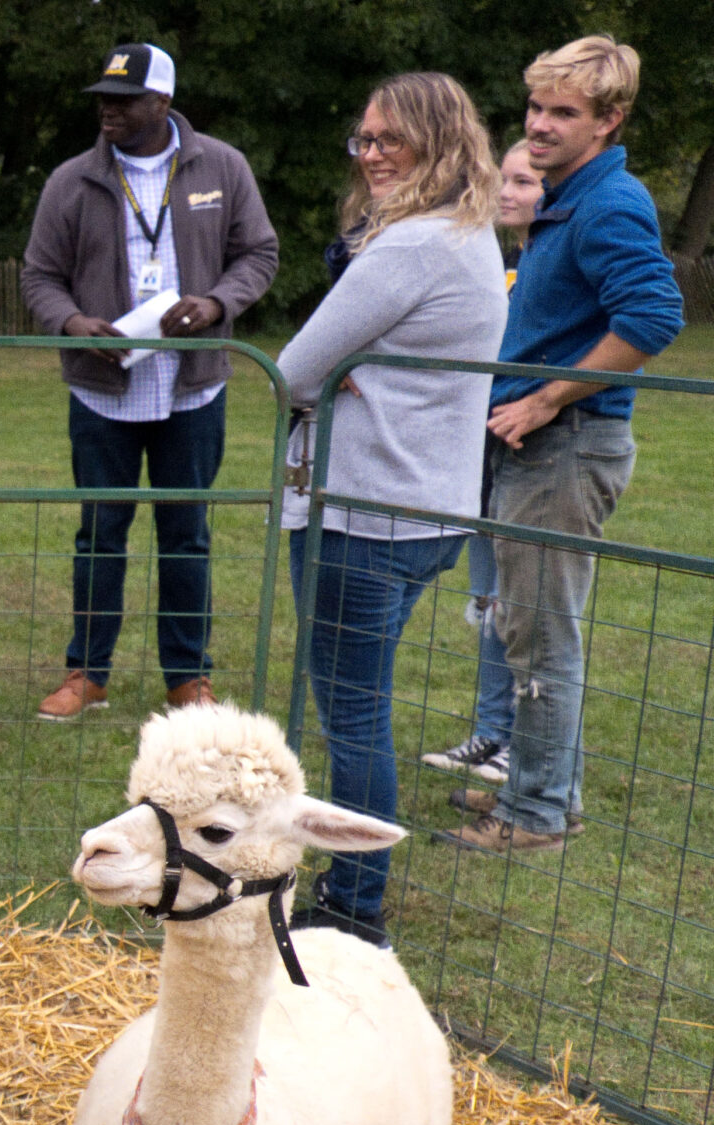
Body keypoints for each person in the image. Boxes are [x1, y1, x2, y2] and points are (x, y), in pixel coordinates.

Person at [277, 72, 508, 947]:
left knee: (354, 712)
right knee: (362, 702)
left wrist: (341, 378)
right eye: (363, 139)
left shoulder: (410, 247)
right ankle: (353, 884)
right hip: (433, 507)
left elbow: (293, 369)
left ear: (438, 144)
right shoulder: (471, 235)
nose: (370, 155)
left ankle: (354, 902)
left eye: (389, 141)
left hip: (366, 510)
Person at [438, 35, 684, 855]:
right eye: (536, 106)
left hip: (568, 447)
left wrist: (546, 398)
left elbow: (653, 318)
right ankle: (549, 796)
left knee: (542, 634)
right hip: (543, 448)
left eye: (563, 112)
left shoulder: (609, 203)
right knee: (527, 628)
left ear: (609, 120)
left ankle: (536, 815)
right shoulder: (563, 196)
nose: (539, 126)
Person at [21, 42, 279, 721]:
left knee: (186, 533)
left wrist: (219, 303)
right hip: (101, 387)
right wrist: (74, 321)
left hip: (193, 385)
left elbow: (259, 252)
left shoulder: (222, 166)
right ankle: (87, 671)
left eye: (123, 99)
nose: (107, 109)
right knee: (101, 532)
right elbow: (38, 276)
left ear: (161, 102)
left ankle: (188, 677)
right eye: (103, 98)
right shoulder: (71, 181)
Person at [418, 142, 545, 779]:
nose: (506, 191)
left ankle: (523, 743)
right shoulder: (498, 265)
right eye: (503, 178)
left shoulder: (548, 271)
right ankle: (492, 733)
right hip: (482, 458)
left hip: (527, 452)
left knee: (524, 610)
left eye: (524, 181)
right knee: (490, 604)